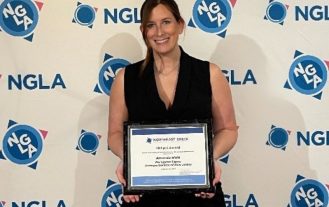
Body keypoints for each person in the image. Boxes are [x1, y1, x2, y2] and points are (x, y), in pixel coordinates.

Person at [108, 0, 238, 206]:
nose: (159, 32)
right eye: (151, 25)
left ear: (180, 24)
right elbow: (114, 134)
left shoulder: (210, 74)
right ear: (143, 30)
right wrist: (129, 159)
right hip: (144, 197)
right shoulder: (126, 78)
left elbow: (228, 129)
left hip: (200, 195)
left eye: (166, 22)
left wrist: (208, 160)